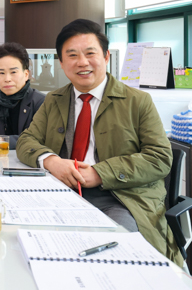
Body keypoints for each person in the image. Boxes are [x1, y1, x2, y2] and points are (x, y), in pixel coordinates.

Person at [16, 19, 183, 266]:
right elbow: (26, 140)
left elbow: (159, 158)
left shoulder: (137, 101)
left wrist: (100, 173)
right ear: (61, 63)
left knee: (115, 257)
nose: (82, 62)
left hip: (120, 199)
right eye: (72, 55)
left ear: (105, 57)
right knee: (27, 247)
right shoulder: (54, 100)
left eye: (90, 53)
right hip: (61, 193)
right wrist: (51, 161)